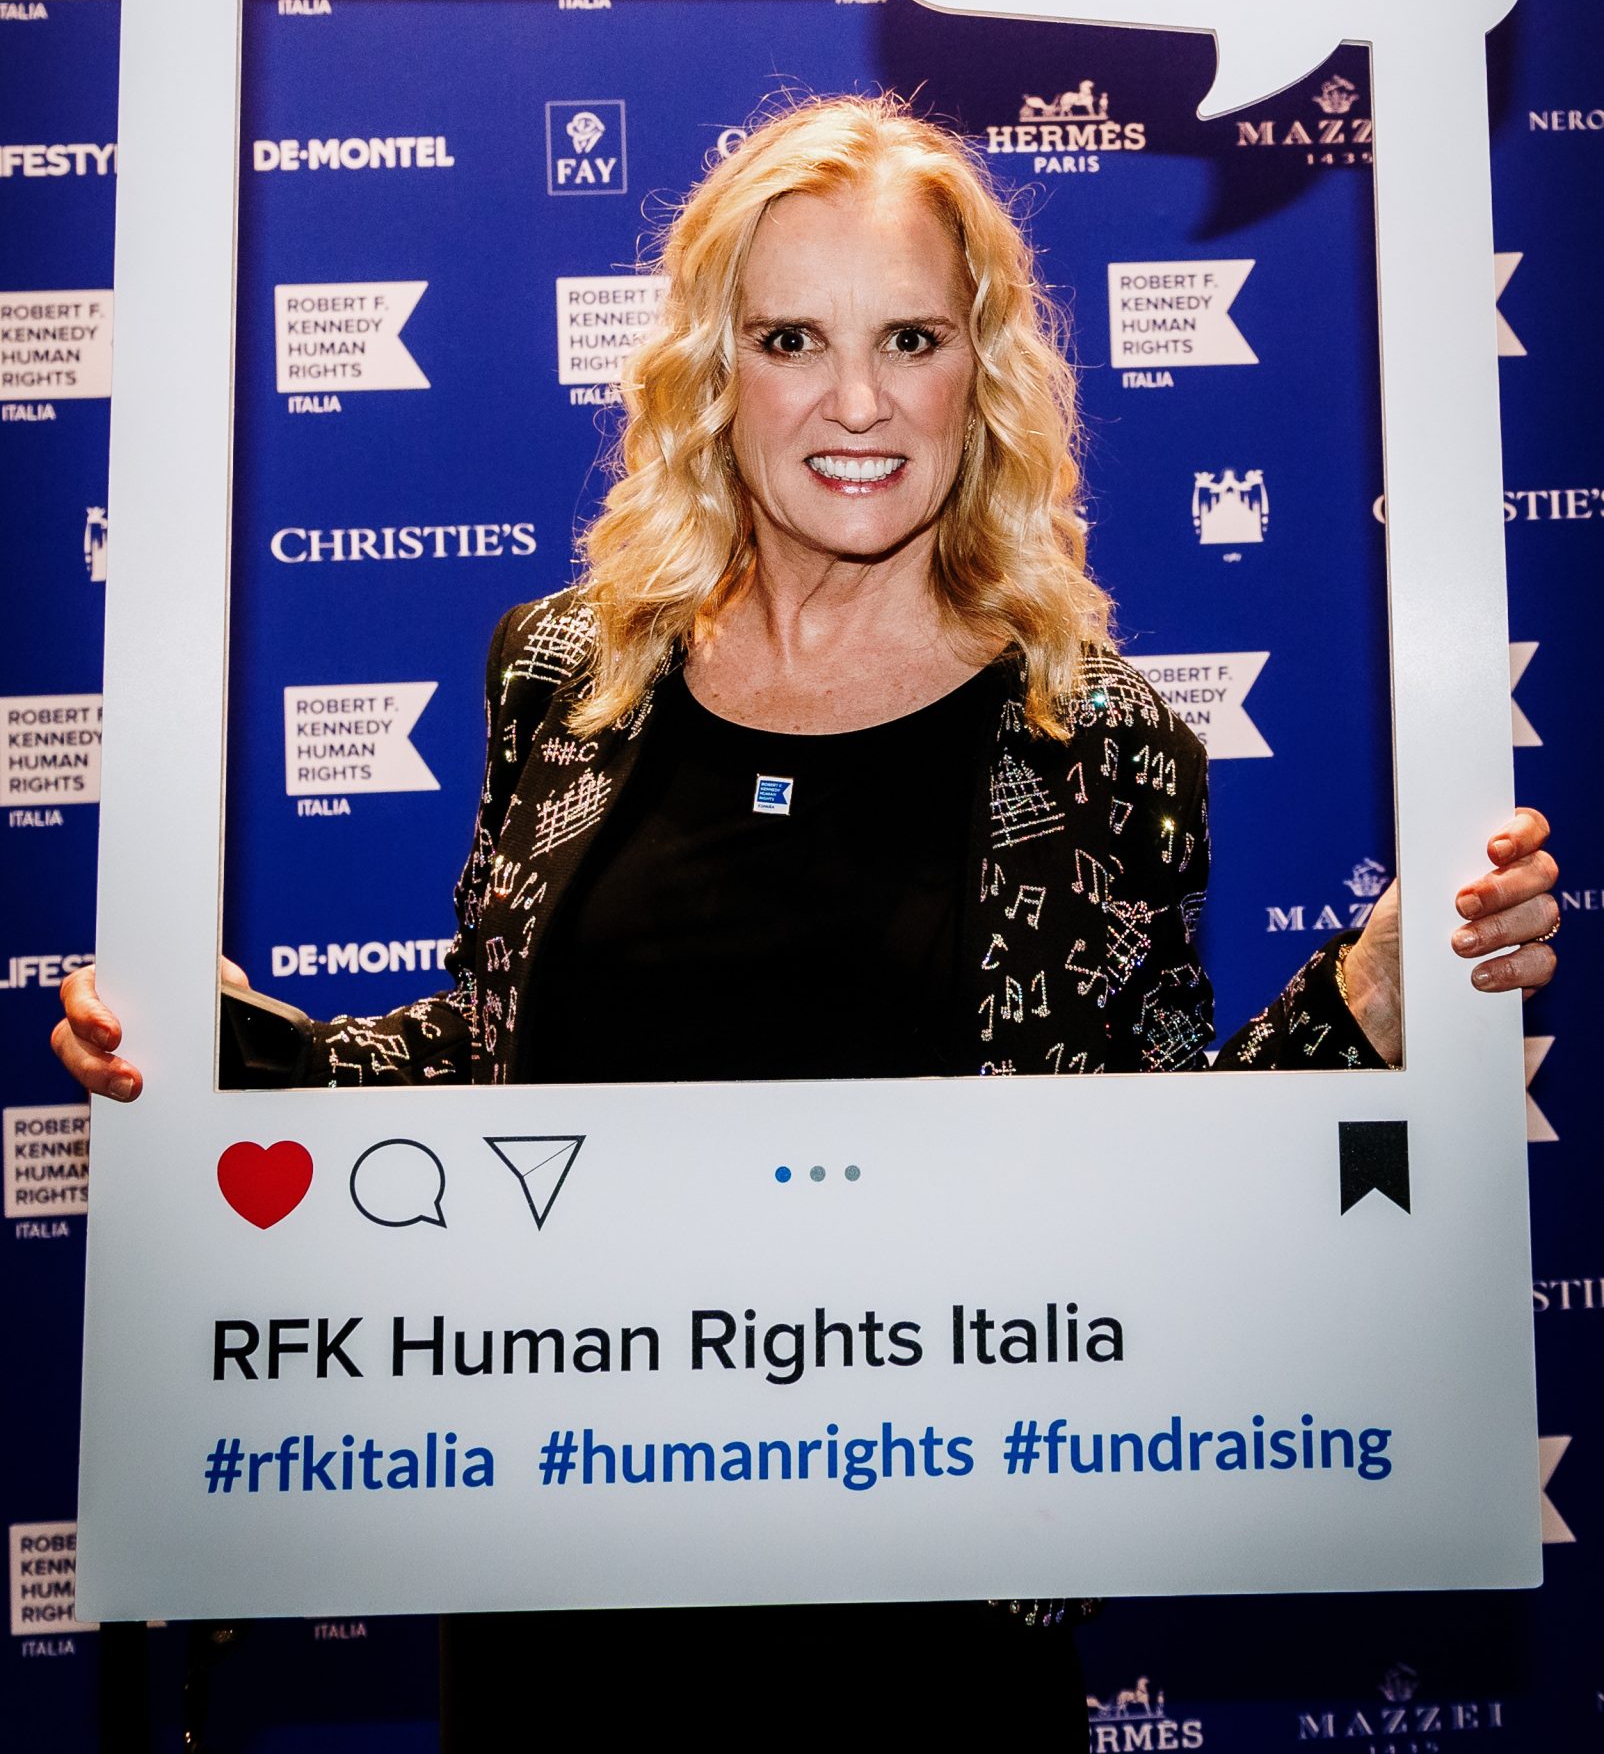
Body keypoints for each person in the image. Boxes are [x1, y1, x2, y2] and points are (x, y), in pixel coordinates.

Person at [55, 96, 1558, 1739]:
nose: (857, 402)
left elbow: (1168, 1189)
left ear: (980, 370)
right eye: (792, 339)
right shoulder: (566, 679)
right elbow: (488, 1071)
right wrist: (229, 1056)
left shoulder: (1096, 746)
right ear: (717, 373)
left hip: (930, 1649)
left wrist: (1376, 999)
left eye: (910, 337)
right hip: (566, 1606)